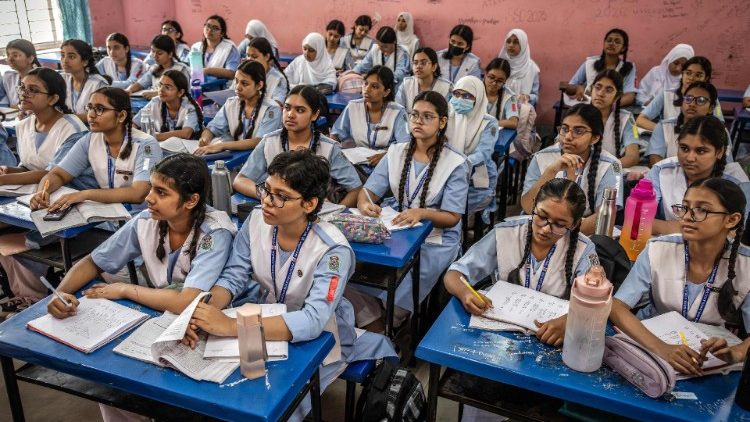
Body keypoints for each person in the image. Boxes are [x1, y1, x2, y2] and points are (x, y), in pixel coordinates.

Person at [183, 149, 397, 422]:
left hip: (320, 339)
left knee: (276, 407)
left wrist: (229, 326)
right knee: (224, 389)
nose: (267, 202)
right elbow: (233, 276)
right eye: (266, 190)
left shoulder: (332, 251)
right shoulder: (258, 219)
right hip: (265, 320)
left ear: (309, 204)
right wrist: (204, 310)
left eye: (281, 197)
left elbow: (312, 320)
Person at [46, 153, 236, 422]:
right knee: (112, 388)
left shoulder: (214, 233)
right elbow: (92, 262)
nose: (149, 198)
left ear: (191, 201)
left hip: (197, 325)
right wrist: (61, 293)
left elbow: (187, 302)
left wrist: (125, 290)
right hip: (159, 318)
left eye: (161, 192)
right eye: (151, 189)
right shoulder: (147, 221)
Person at [346, 91, 469, 330]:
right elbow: (368, 193)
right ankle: (371, 315)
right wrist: (365, 205)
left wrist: (422, 213)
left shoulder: (455, 162)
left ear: (442, 122)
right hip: (398, 224)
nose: (418, 121)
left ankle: (391, 320)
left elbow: (453, 218)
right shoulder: (397, 152)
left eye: (427, 116)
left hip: (437, 237)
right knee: (357, 263)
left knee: (413, 276)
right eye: (414, 115)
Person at [610, 178, 750, 376]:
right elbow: (617, 307)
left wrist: (736, 352)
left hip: (707, 358)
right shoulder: (659, 248)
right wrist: (662, 348)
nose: (687, 217)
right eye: (684, 208)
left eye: (702, 210)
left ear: (731, 220)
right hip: (654, 343)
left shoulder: (747, 265)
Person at [233, 85, 361, 207]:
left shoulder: (329, 148)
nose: (290, 115)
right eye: (287, 108)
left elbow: (355, 189)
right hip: (277, 210)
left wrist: (334, 214)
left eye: (300, 110)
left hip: (313, 214)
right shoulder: (269, 142)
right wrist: (268, 195)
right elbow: (240, 180)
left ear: (315, 115)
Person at [522, 104, 623, 235]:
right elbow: (528, 207)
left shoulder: (611, 166)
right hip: (541, 228)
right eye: (564, 129)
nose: (568, 137)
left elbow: (603, 217)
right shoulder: (542, 157)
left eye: (578, 131)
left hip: (583, 233)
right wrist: (551, 171)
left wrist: (560, 231)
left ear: (595, 138)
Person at [647, 115, 750, 236]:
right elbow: (638, 222)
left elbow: (733, 234)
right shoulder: (661, 170)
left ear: (720, 152)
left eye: (701, 151)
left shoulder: (738, 183)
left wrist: (666, 226)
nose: (690, 158)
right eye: (684, 148)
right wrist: (707, 229)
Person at [195, 60, 281, 155]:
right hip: (237, 155)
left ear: (259, 85)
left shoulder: (272, 109)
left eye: (244, 83)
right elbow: (213, 128)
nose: (237, 87)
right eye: (236, 81)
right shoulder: (231, 103)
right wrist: (205, 138)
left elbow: (258, 141)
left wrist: (222, 145)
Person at [331, 66, 409, 168]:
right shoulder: (353, 107)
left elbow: (405, 145)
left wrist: (386, 156)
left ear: (386, 92)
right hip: (356, 163)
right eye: (365, 83)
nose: (366, 89)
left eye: (375, 86)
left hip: (386, 164)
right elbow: (336, 135)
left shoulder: (398, 112)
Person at [447, 76, 499, 214]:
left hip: (475, 176)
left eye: (467, 96)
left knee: (455, 205)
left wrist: (458, 166)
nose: (459, 99)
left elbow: (483, 153)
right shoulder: (446, 116)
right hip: (447, 171)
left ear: (478, 98)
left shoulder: (488, 123)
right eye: (456, 94)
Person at [646, 81, 726, 165]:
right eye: (688, 98)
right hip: (668, 176)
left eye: (701, 100)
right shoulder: (664, 127)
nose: (692, 104)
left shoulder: (720, 131)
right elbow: (656, 162)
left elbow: (726, 165)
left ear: (711, 108)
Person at [636, 56, 722, 131]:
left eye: (698, 75)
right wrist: (667, 131)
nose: (691, 78)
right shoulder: (667, 94)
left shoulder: (711, 99)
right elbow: (641, 120)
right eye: (688, 73)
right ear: (682, 74)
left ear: (706, 78)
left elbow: (719, 126)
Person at [565, 28, 637, 107]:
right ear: (604, 43)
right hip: (587, 107)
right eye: (609, 40)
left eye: (617, 42)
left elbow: (629, 96)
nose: (611, 44)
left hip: (612, 110)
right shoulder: (590, 64)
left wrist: (608, 106)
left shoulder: (628, 67)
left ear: (623, 48)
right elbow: (569, 87)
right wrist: (577, 88)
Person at [132, 70, 203, 142]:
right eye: (160, 85)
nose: (161, 90)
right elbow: (134, 123)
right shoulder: (155, 102)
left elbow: (186, 133)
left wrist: (153, 136)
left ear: (180, 92)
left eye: (167, 87)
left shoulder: (189, 108)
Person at [590, 70, 640, 167]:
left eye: (608, 90)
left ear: (617, 96)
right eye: (597, 87)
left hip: (611, 171)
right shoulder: (577, 113)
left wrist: (606, 170)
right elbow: (559, 146)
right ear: (591, 89)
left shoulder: (627, 119)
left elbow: (633, 157)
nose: (600, 93)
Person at [60, 39, 110, 121]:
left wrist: (68, 118)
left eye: (71, 57)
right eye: (62, 55)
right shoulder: (61, 79)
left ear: (85, 62)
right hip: (68, 128)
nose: (65, 60)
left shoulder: (98, 84)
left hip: (92, 129)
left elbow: (101, 114)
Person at [127, 35, 191, 99]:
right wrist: (129, 90)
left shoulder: (181, 70)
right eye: (153, 51)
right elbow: (140, 84)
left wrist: (157, 93)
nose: (155, 56)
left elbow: (183, 93)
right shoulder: (155, 68)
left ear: (170, 54)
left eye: (159, 53)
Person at [396, 47, 452, 113]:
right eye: (415, 63)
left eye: (423, 63)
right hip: (409, 122)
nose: (418, 66)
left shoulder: (446, 87)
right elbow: (398, 111)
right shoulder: (406, 84)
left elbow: (448, 114)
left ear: (434, 66)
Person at [497, 29, 540, 106]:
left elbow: (535, 96)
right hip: (497, 106)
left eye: (516, 42)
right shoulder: (499, 64)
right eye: (508, 41)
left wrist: (528, 97)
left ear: (523, 45)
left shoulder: (532, 69)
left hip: (521, 109)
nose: (511, 45)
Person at [191, 15, 241, 80]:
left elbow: (232, 73)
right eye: (208, 26)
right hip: (198, 87)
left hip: (222, 89)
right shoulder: (196, 47)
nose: (210, 30)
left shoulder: (229, 48)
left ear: (222, 33)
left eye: (215, 28)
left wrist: (207, 71)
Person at [245, 37, 289, 104]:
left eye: (254, 56)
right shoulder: (243, 73)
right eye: (248, 55)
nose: (249, 60)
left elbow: (277, 105)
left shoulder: (278, 79)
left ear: (267, 57)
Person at [0, 39, 41, 108]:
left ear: (30, 59)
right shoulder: (8, 77)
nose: (10, 59)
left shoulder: (43, 78)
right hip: (14, 116)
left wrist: (18, 107)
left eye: (15, 55)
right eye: (8, 55)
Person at [484, 58, 519, 129]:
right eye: (491, 77)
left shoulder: (509, 97)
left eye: (499, 81)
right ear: (485, 74)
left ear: (505, 81)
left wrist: (489, 124)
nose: (494, 83)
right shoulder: (475, 89)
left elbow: (513, 122)